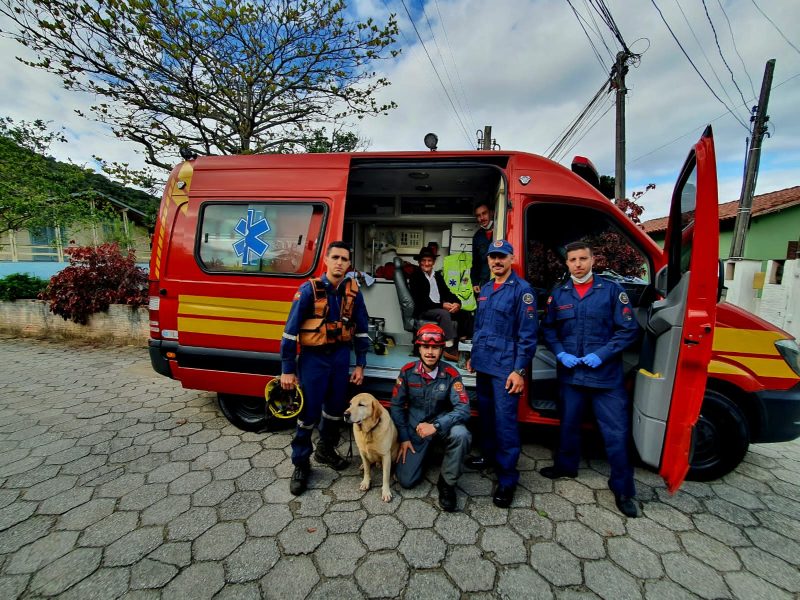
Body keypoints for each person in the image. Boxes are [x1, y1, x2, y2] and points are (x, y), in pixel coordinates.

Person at [539, 241, 640, 518]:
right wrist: (559, 352)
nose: (578, 264)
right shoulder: (559, 295)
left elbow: (628, 330)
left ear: (593, 260)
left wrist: (603, 354)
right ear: (567, 263)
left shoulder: (611, 291)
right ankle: (565, 467)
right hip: (571, 375)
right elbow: (549, 330)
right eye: (573, 259)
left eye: (583, 258)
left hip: (605, 377)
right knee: (568, 426)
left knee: (616, 434)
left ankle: (623, 489)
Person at [280, 241, 371, 495]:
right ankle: (300, 463)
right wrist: (288, 369)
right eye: (336, 258)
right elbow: (290, 332)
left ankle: (325, 449)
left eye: (345, 259)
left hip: (340, 358)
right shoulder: (308, 291)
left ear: (349, 264)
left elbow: (362, 329)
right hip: (313, 359)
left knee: (334, 410)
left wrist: (361, 364)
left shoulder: (353, 291)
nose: (340, 262)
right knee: (307, 414)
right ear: (326, 261)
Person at [466, 240, 538, 507]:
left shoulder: (522, 291)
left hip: (506, 369)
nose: (497, 261)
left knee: (505, 423)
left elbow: (528, 336)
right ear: (487, 261)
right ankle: (488, 456)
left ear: (511, 259)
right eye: (493, 257)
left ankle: (507, 479)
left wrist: (519, 371)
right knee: (485, 416)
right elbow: (480, 327)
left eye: (502, 257)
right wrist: (474, 356)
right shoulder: (485, 288)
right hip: (484, 364)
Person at [390, 323, 471, 511]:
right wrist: (403, 438)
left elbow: (463, 408)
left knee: (461, 434)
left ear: (442, 349)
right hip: (415, 431)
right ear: (418, 348)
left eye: (435, 347)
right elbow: (396, 405)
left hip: (440, 427)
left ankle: (447, 483)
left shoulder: (451, 374)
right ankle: (423, 456)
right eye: (426, 346)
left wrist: (435, 425)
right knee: (406, 481)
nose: (430, 352)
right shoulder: (407, 371)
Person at [409, 246, 462, 360]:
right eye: (423, 260)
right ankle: (449, 348)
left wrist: (457, 303)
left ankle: (461, 345)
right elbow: (421, 301)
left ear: (433, 262)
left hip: (437, 307)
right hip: (424, 309)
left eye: (429, 261)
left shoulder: (437, 275)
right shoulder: (415, 277)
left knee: (464, 314)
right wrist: (442, 306)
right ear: (419, 262)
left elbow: (447, 292)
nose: (426, 263)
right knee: (444, 314)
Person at [471, 202, 494, 293]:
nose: (482, 218)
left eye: (484, 213)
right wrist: (475, 282)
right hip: (484, 281)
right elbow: (475, 262)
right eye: (478, 215)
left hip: (501, 279)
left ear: (491, 213)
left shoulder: (502, 229)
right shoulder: (477, 236)